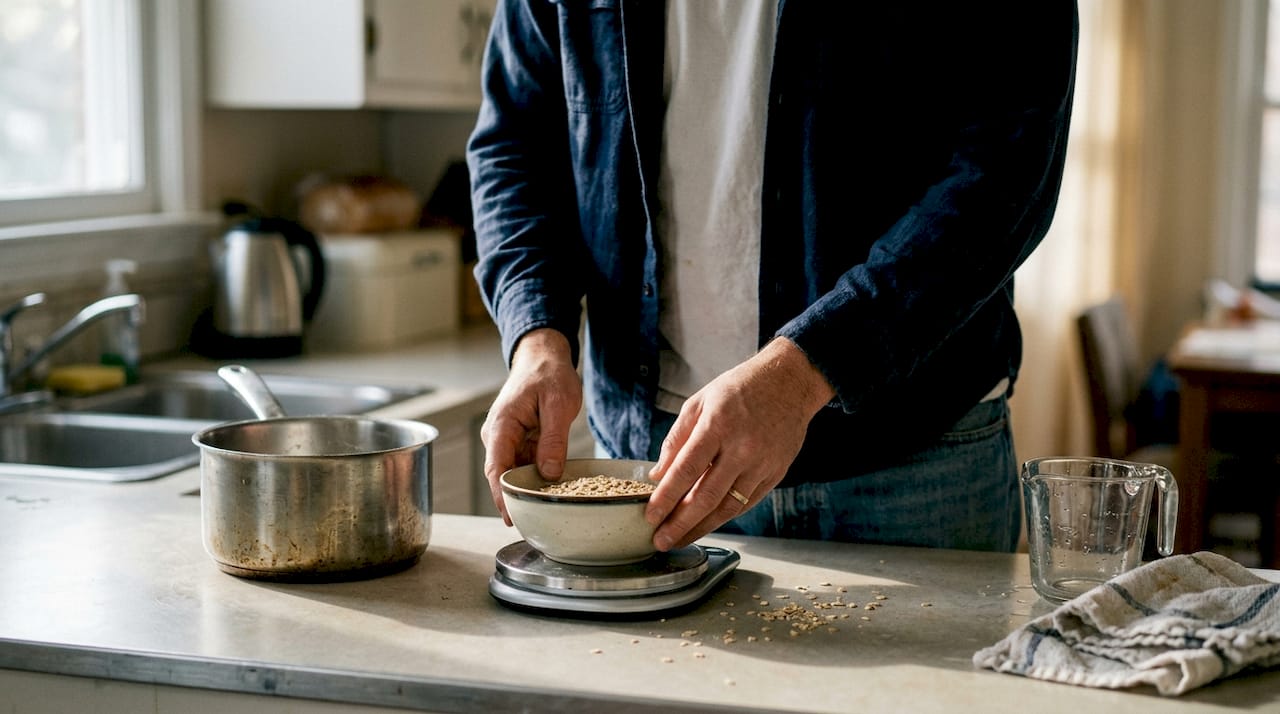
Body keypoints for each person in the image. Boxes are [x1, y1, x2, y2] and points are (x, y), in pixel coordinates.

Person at [466, 1, 1079, 555]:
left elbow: (1006, 169)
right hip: (653, 462)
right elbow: (515, 145)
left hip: (915, 462)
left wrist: (803, 372)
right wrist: (536, 336)